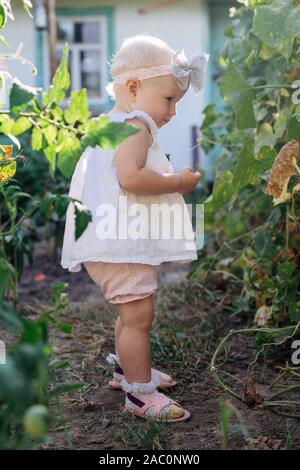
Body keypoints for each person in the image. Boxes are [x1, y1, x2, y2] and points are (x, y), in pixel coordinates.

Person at [61, 34, 208, 422]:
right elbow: (131, 178)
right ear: (133, 88)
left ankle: (128, 370)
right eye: (169, 99)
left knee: (131, 312)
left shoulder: (114, 124)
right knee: (139, 316)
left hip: (111, 237)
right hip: (117, 243)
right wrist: (177, 181)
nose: (173, 111)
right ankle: (140, 394)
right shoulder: (137, 124)